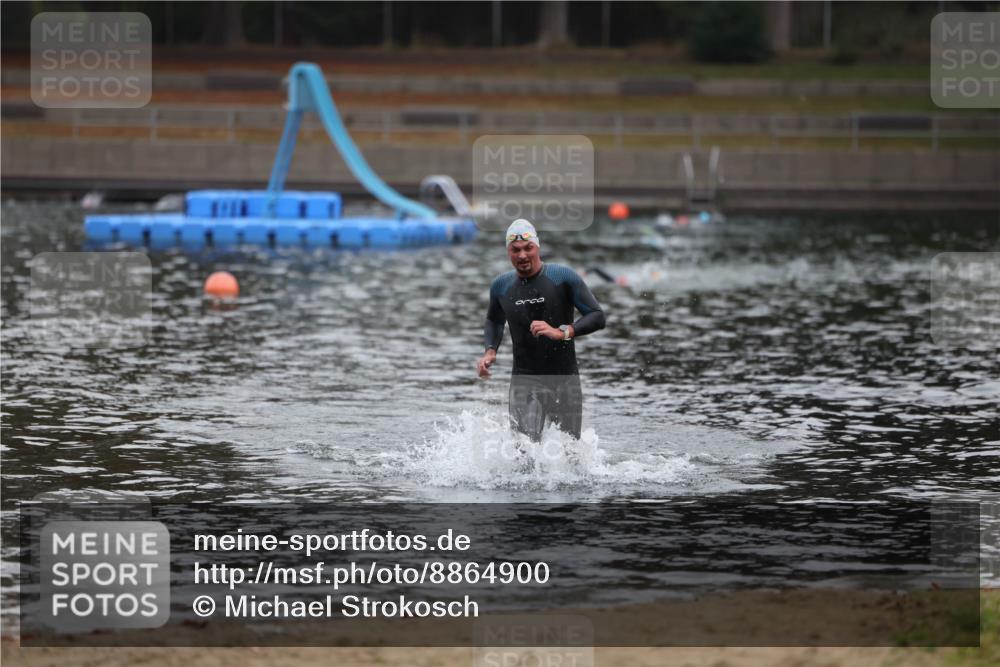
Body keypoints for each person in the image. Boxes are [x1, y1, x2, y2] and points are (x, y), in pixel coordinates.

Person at [477, 219, 606, 442]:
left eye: (528, 248)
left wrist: (563, 332)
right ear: (508, 251)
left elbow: (597, 316)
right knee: (524, 453)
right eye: (515, 250)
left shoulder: (562, 277)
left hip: (564, 380)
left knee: (570, 457)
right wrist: (490, 350)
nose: (523, 255)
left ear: (538, 247)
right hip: (524, 379)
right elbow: (494, 320)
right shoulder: (501, 286)